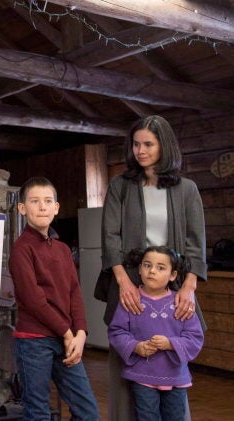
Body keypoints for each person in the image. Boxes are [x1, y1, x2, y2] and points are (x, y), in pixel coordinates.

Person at [101, 115, 207, 420]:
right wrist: (123, 282)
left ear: (165, 146)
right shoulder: (120, 185)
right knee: (129, 356)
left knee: (173, 362)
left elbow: (196, 242)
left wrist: (188, 286)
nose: (140, 150)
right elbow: (109, 237)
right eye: (136, 144)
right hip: (130, 285)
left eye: (148, 144)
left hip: (174, 286)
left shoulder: (187, 189)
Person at [9, 176, 99, 420]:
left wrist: (81, 333)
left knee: (87, 411)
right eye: (35, 201)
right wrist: (67, 332)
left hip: (67, 340)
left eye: (48, 201)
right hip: (34, 342)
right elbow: (33, 300)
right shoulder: (21, 249)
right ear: (22, 208)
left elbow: (74, 293)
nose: (42, 206)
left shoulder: (62, 250)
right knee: (38, 411)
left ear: (56, 208)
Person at [108, 246, 204, 421]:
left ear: (173, 275)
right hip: (142, 377)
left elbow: (195, 337)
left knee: (175, 417)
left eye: (161, 268)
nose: (152, 271)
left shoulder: (181, 302)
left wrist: (170, 344)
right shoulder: (130, 301)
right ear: (139, 269)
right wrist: (136, 346)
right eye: (147, 265)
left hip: (176, 378)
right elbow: (116, 331)